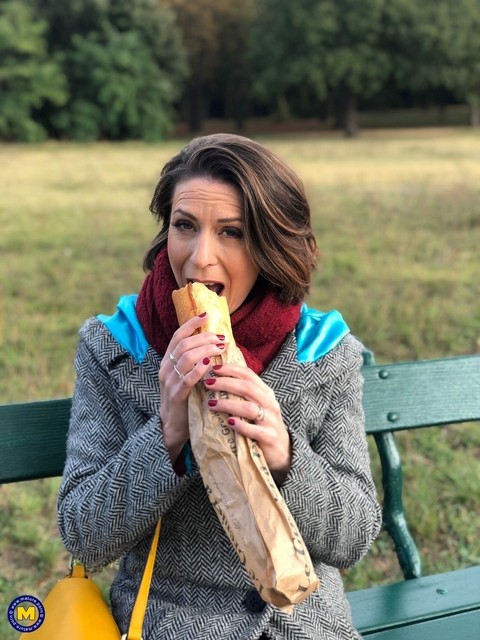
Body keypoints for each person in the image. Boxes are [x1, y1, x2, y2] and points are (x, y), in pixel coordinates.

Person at [58, 133, 382, 640]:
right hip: (171, 625)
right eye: (185, 226)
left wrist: (287, 458)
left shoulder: (323, 350)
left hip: (307, 626)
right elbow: (82, 535)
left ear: (272, 245)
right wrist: (164, 437)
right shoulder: (117, 346)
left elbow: (354, 537)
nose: (200, 258)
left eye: (231, 232)